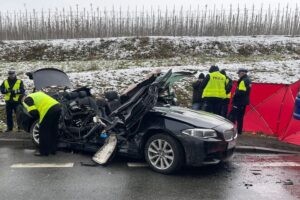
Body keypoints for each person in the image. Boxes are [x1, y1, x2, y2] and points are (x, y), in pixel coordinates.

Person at [22, 91, 61, 156]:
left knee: (43, 131)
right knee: (53, 129)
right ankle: (53, 150)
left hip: (48, 110)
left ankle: (44, 152)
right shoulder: (36, 94)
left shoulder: (27, 100)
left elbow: (34, 112)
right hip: (57, 106)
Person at [229, 68, 252, 135]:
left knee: (232, 116)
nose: (238, 75)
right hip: (244, 101)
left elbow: (241, 91)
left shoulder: (243, 81)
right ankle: (239, 131)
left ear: (242, 73)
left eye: (239, 73)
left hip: (239, 101)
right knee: (240, 117)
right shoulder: (248, 80)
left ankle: (231, 131)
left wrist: (235, 94)